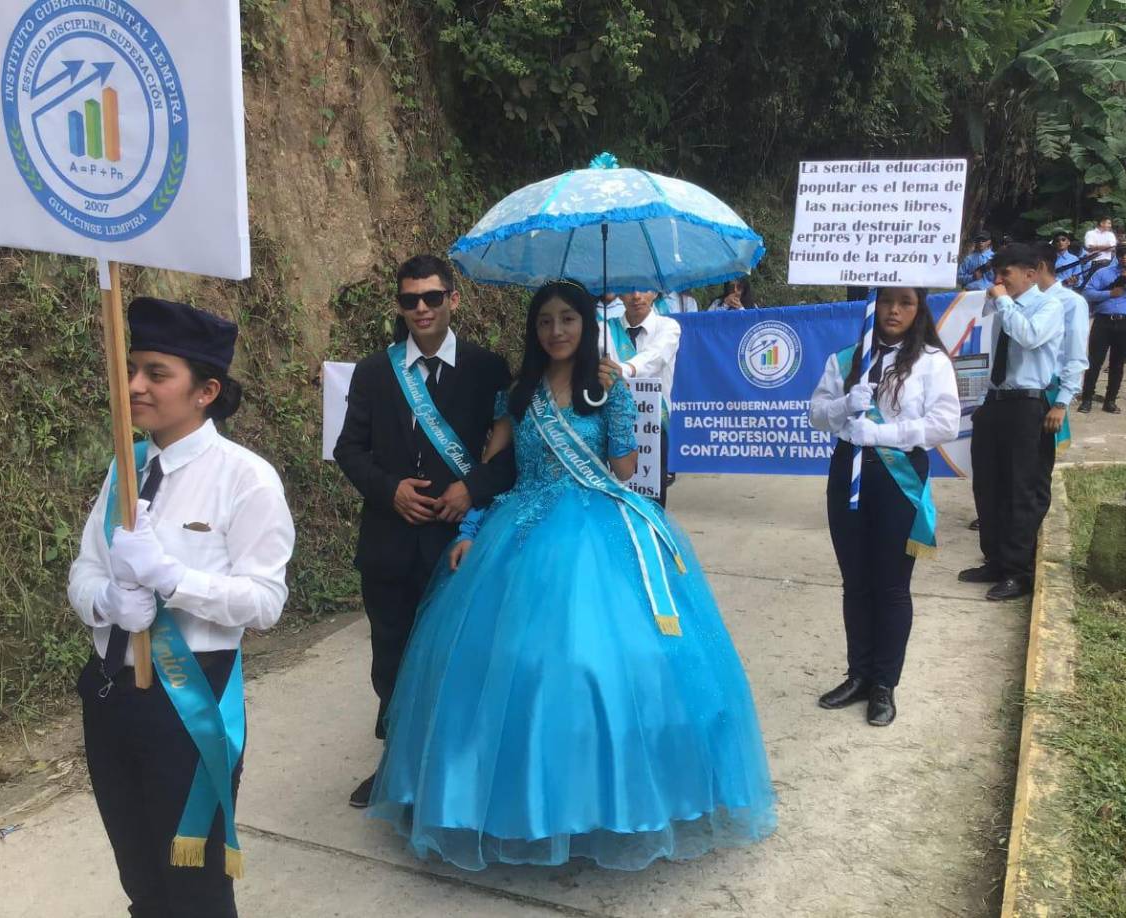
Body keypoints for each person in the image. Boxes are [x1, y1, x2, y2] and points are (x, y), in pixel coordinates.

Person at [366, 280, 776, 871]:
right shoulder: (518, 393)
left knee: (610, 661)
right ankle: (504, 800)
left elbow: (625, 468)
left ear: (586, 326)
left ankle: (613, 800)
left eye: (568, 320)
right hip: (520, 529)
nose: (556, 331)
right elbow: (494, 468)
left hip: (596, 526)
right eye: (545, 322)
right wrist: (469, 530)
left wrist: (620, 398)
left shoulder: (607, 388)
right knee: (506, 663)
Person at [68, 298, 296, 917]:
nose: (136, 386)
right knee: (140, 876)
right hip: (112, 691)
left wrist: (172, 579)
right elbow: (83, 569)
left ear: (206, 390)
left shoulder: (245, 479)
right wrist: (107, 599)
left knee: (193, 886)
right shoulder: (127, 465)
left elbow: (264, 601)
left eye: (156, 373)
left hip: (189, 704)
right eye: (132, 369)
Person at [334, 255, 515, 808]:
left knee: (458, 655)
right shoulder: (373, 371)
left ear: (453, 300)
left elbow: (510, 457)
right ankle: (395, 765)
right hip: (389, 544)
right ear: (399, 305)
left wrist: (472, 488)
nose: (421, 309)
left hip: (458, 544)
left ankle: (453, 769)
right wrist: (390, 490)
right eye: (410, 299)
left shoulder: (488, 370)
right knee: (391, 656)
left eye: (432, 297)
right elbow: (349, 449)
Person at [809, 288, 959, 726]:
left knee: (891, 586)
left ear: (919, 310)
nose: (894, 310)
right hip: (848, 474)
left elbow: (945, 423)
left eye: (905, 303)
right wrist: (843, 404)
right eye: (887, 301)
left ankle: (883, 685)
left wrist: (884, 434)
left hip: (898, 478)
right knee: (855, 582)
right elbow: (816, 413)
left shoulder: (931, 361)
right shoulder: (846, 358)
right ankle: (858, 674)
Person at [959, 245, 1064, 601]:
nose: (999, 280)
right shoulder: (1000, 303)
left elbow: (1029, 337)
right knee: (988, 484)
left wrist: (1004, 300)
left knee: (1021, 488)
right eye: (997, 273)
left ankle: (1018, 572)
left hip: (1027, 404)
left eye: (1007, 273)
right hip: (994, 400)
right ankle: (994, 559)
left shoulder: (1048, 305)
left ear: (1031, 273)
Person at [602, 288, 681, 505]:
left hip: (654, 427)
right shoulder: (605, 329)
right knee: (616, 498)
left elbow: (655, 357)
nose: (636, 296)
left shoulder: (668, 327)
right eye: (628, 289)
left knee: (652, 503)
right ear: (618, 294)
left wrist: (622, 370)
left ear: (655, 292)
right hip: (615, 425)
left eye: (644, 289)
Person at [1035, 243, 1090, 515]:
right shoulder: (1026, 300)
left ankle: (1034, 522)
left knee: (1038, 463)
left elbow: (1075, 355)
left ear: (1041, 267)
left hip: (1050, 390)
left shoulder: (1071, 302)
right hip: (1024, 390)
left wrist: (1062, 402)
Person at [1079, 241, 1126, 414]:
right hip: (1103, 321)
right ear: (1116, 255)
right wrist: (1109, 293)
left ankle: (1110, 400)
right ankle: (1087, 398)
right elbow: (1087, 293)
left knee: (1118, 363)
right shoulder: (1102, 273)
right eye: (1121, 254)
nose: (1124, 257)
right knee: (1095, 361)